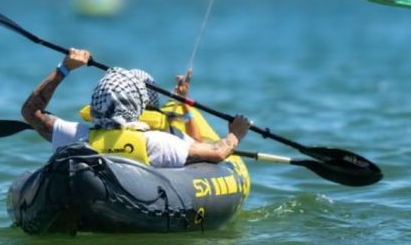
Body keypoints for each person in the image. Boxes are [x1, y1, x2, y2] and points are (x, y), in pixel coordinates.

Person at [20, 48, 251, 168]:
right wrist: (235, 134)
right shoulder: (158, 143)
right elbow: (217, 152)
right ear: (138, 105)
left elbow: (31, 112)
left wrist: (64, 68)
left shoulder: (77, 136)